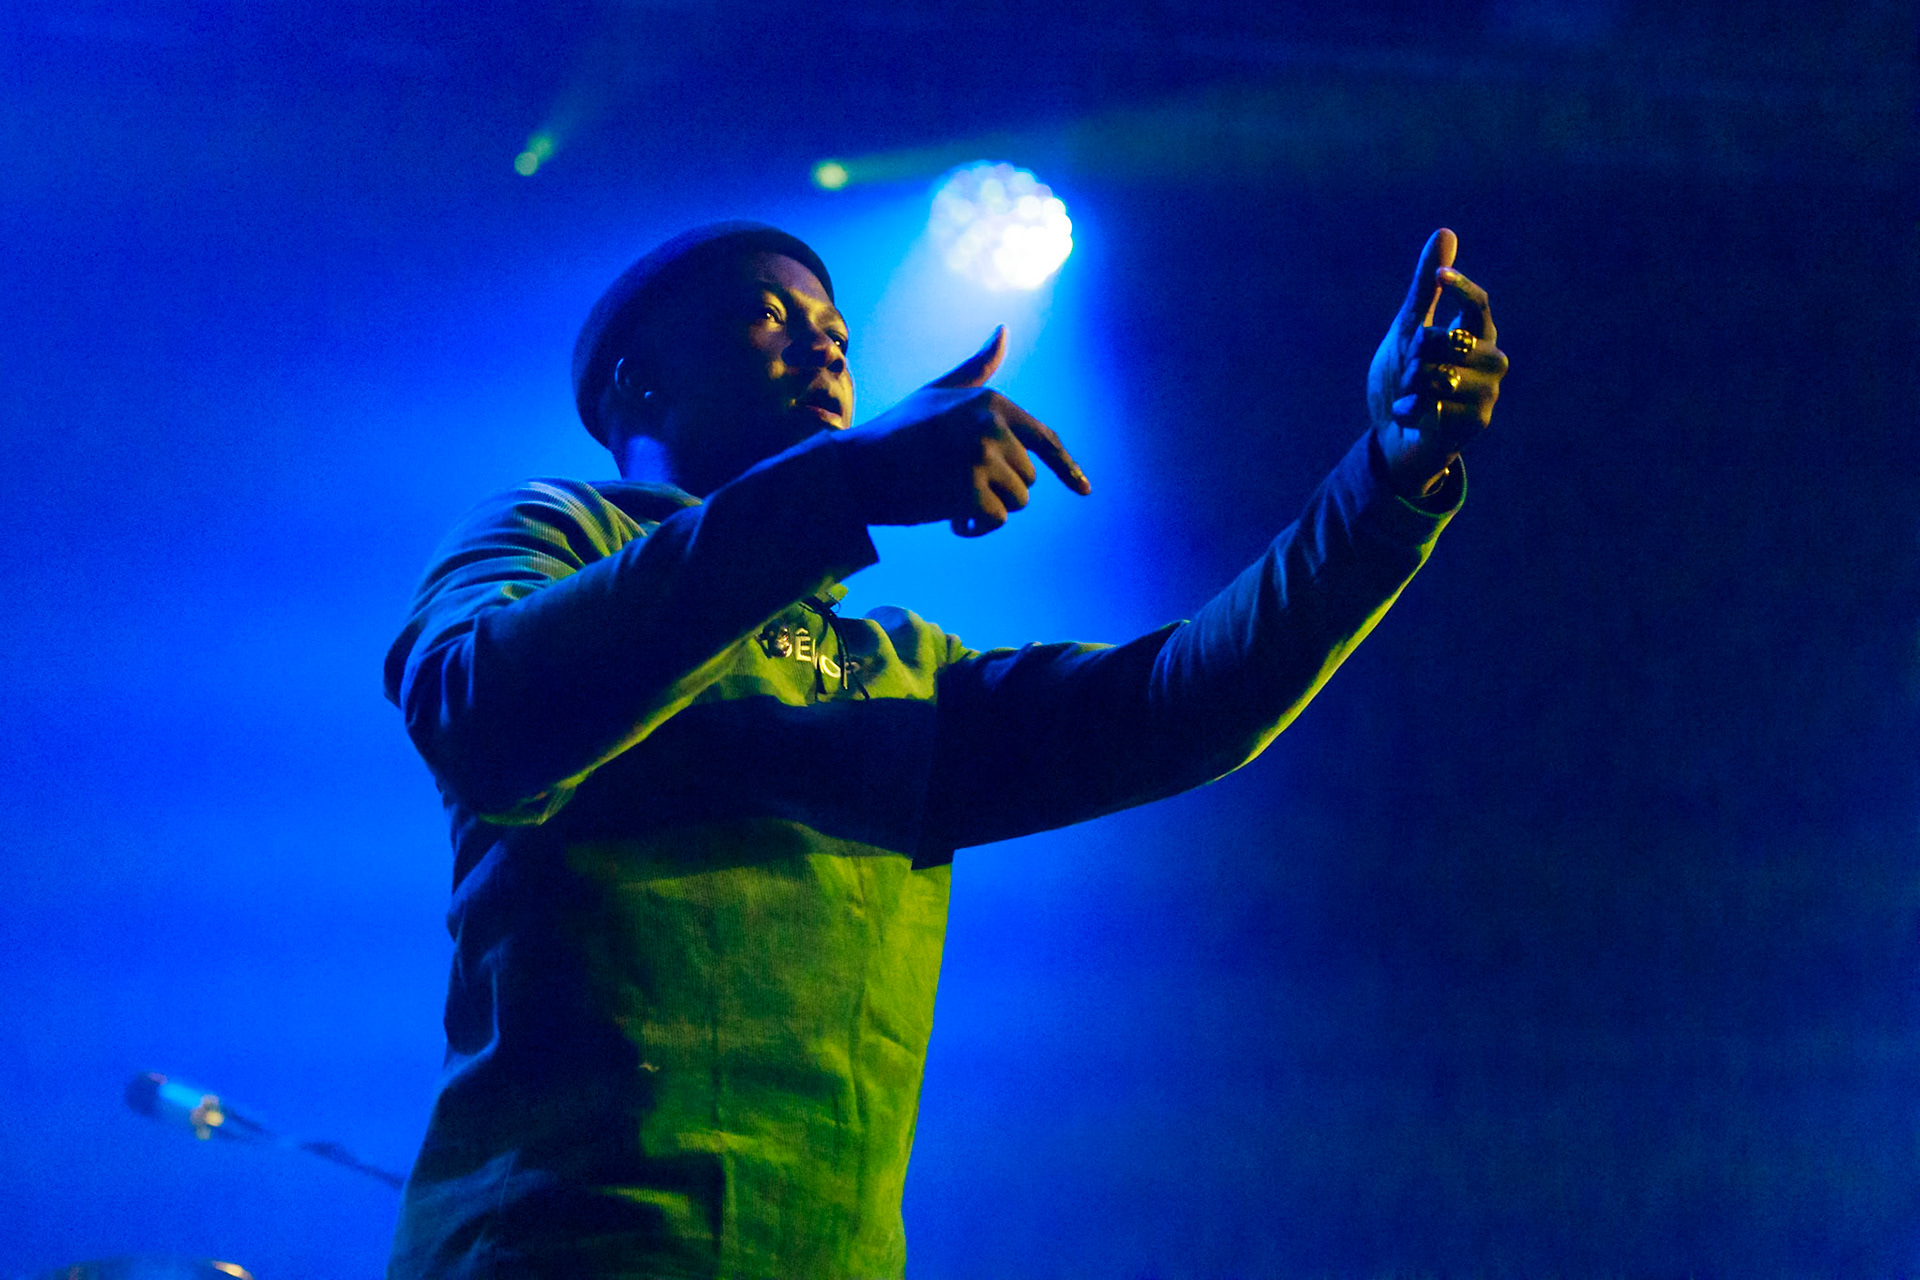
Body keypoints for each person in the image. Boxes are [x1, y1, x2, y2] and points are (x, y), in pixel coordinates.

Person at [382, 220, 1507, 1278]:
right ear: (639, 379)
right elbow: (478, 719)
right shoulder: (553, 533)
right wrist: (844, 485)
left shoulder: (898, 667)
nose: (825, 342)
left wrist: (1386, 484)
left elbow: (1180, 704)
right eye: (769, 314)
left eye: (836, 330)